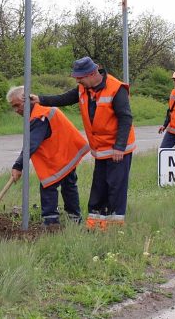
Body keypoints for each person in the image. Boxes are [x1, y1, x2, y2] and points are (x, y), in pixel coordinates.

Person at [30, 56, 136, 231]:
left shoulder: (116, 89)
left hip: (118, 149)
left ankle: (114, 228)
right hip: (100, 149)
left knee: (115, 188)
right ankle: (95, 225)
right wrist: (40, 99)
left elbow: (126, 118)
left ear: (93, 73)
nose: (78, 81)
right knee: (99, 187)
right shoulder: (83, 88)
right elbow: (63, 99)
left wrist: (119, 147)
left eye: (80, 78)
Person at [6, 86, 90, 227]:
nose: (16, 110)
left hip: (63, 154)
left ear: (28, 100)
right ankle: (74, 219)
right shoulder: (41, 111)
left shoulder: (40, 116)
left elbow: (31, 144)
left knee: (49, 185)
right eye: (13, 107)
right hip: (65, 154)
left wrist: (18, 166)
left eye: (17, 105)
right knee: (68, 185)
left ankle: (51, 223)